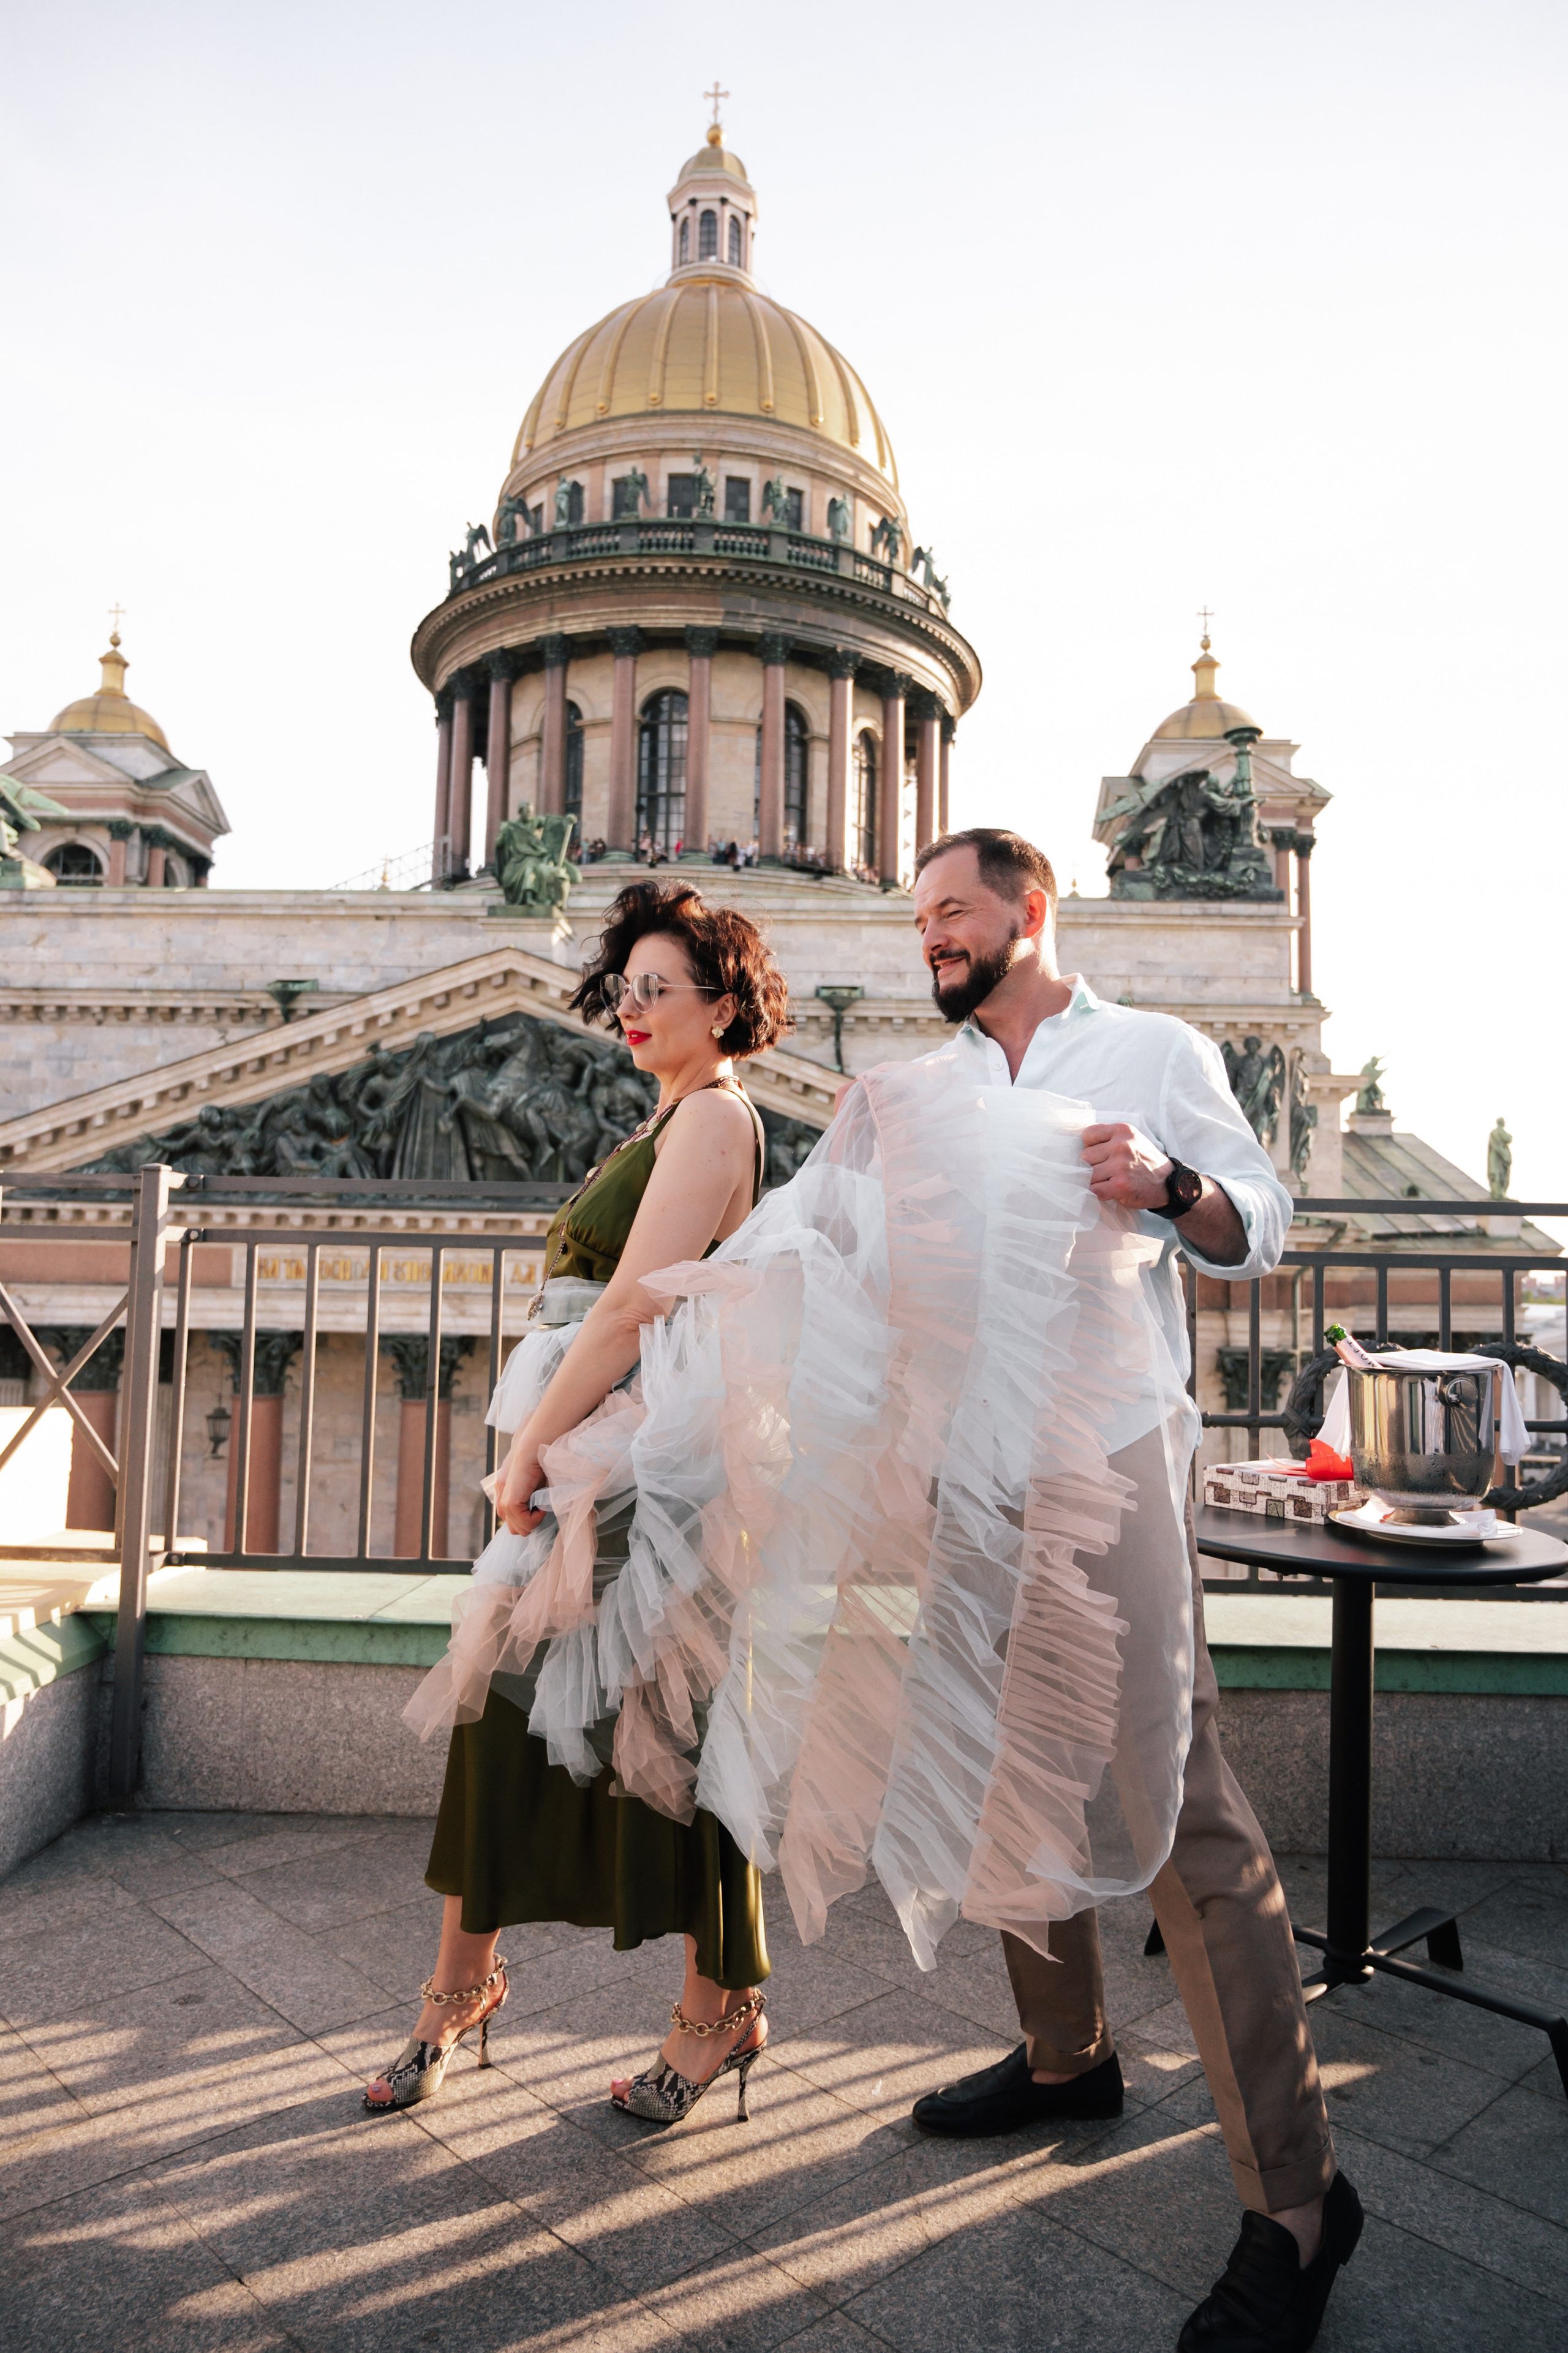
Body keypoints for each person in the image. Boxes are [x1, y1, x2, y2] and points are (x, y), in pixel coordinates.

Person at [899, 830, 1360, 2353]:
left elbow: (1259, 1224)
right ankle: (1062, 2057)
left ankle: (1297, 2199)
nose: (930, 937)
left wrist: (1168, 1187)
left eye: (951, 911)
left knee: (1183, 1808)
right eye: (917, 920)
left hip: (1107, 1454)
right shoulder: (933, 1084)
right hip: (977, 1463)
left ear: (1029, 912)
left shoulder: (1153, 1050)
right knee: (1005, 1767)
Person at [368, 880, 790, 2128]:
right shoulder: (666, 1116)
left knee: (674, 1735)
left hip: (637, 1472)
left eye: (660, 988)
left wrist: (528, 1455)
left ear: (725, 1005)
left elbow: (630, 1308)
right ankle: (458, 1990)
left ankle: (718, 2008)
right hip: (606, 1459)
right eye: (624, 988)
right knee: (506, 1717)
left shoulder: (714, 1117)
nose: (632, 1007)